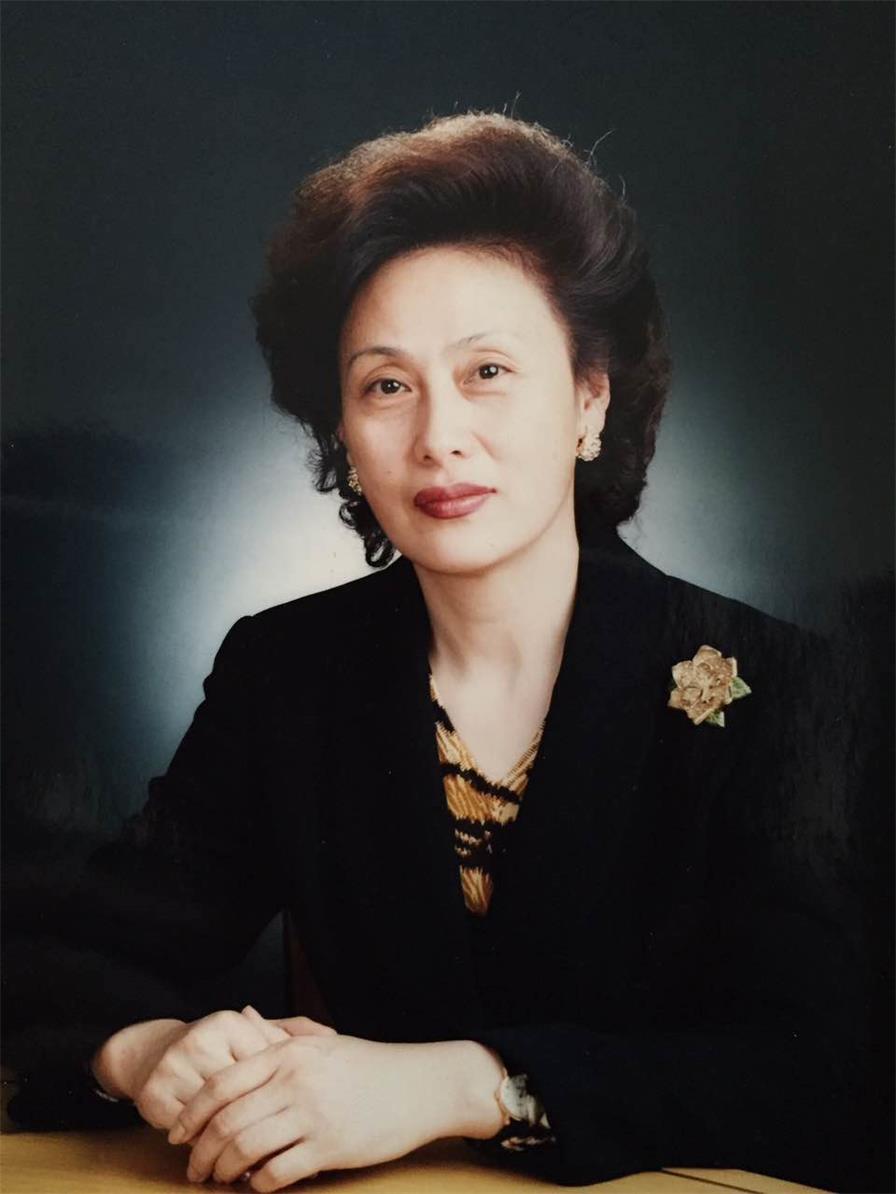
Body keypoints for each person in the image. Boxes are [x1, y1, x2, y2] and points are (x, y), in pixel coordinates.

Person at [3, 111, 874, 1190]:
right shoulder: (289, 672)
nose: (437, 437)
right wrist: (144, 1052)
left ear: (589, 400)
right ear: (342, 432)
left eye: (488, 371)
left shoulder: (782, 688)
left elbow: (832, 1076)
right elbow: (61, 948)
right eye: (386, 385)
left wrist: (464, 1085)